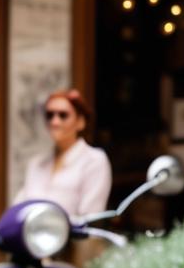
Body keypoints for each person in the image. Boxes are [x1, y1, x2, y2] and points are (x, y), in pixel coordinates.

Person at [15, 88, 112, 219]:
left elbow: (90, 218)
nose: (54, 122)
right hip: (29, 237)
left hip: (71, 239)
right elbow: (18, 211)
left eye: (63, 115)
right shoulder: (37, 163)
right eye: (50, 115)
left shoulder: (94, 161)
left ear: (80, 122)